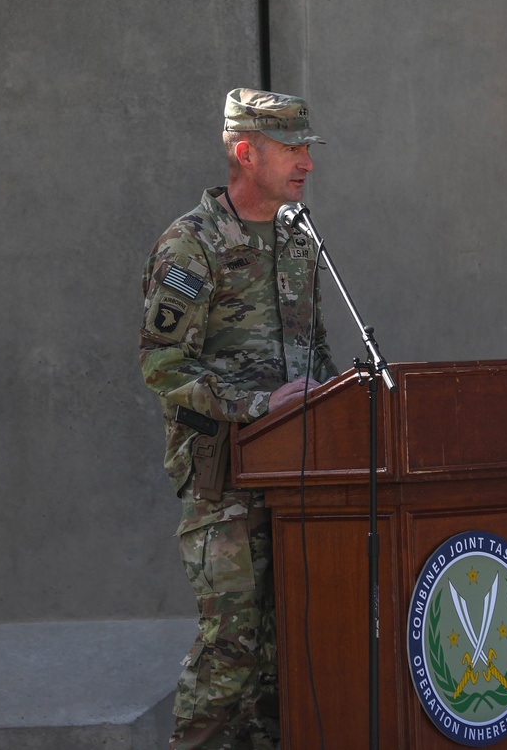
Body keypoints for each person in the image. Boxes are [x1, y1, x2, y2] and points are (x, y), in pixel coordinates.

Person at [139, 87, 339, 749]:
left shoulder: (300, 240)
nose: (307, 161)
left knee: (287, 654)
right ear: (246, 153)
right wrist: (259, 406)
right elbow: (164, 368)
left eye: (308, 147)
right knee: (232, 649)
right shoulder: (191, 248)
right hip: (221, 479)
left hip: (298, 477)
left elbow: (319, 353)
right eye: (292, 148)